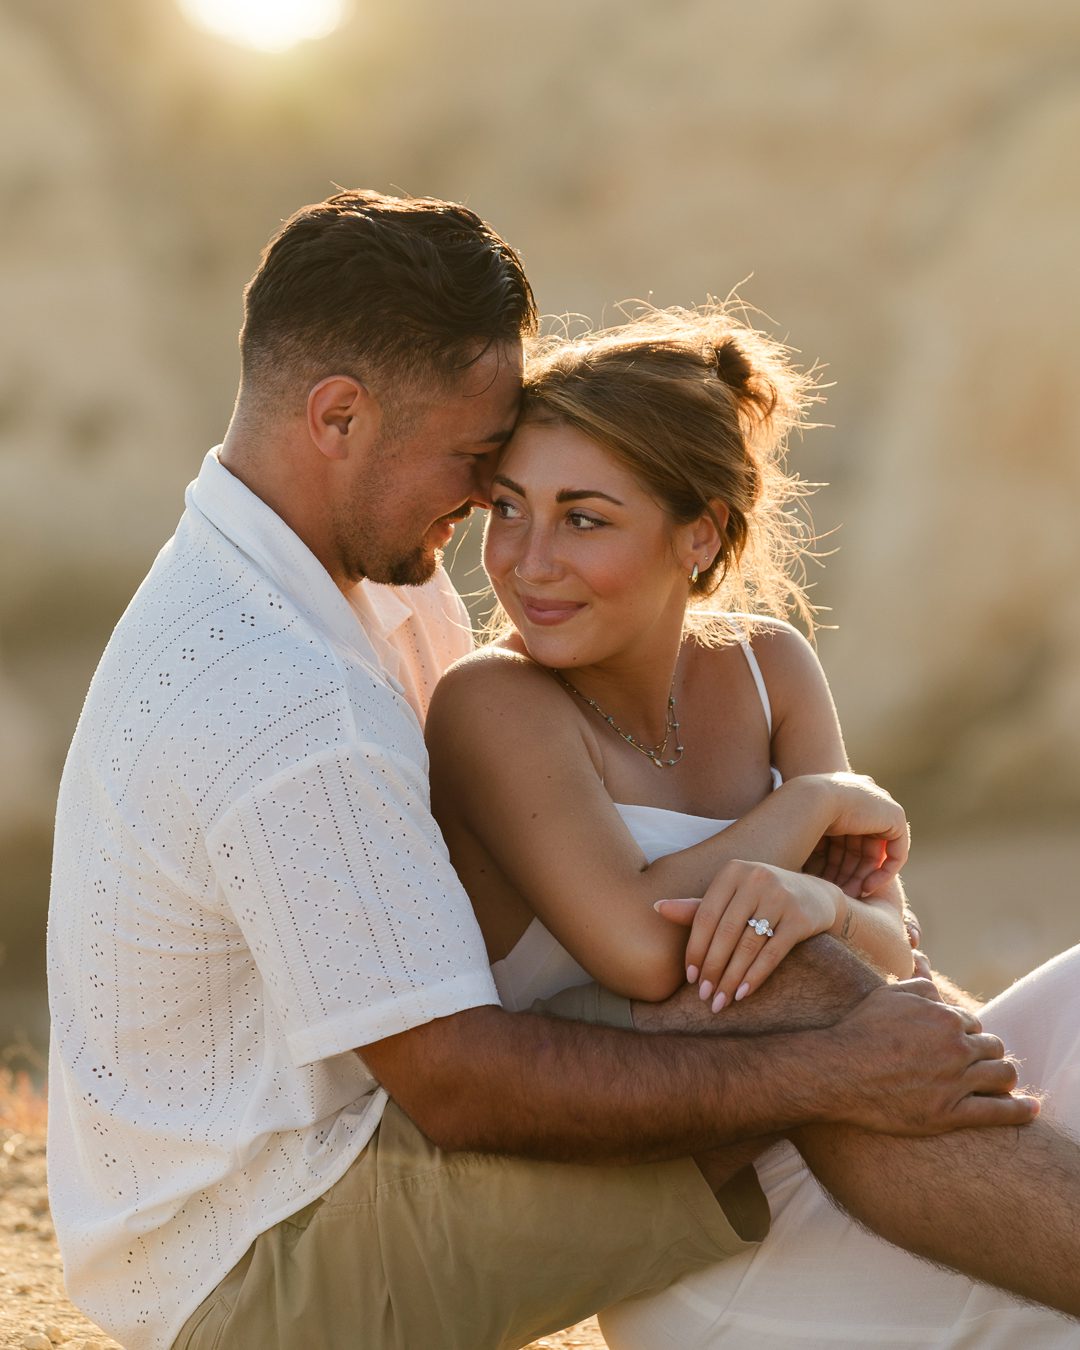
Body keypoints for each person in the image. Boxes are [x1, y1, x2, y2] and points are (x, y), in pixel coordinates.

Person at [45, 189, 1057, 1350]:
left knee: (797, 983)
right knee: (783, 992)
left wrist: (833, 957)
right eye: (477, 462)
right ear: (338, 417)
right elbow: (461, 1083)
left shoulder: (357, 587)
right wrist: (832, 1070)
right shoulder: (279, 689)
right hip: (261, 1265)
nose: (489, 508)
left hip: (336, 1163)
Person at [424, 302, 1080, 1343]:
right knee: (800, 979)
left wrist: (817, 903)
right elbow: (643, 948)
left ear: (701, 534)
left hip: (901, 1131)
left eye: (584, 519)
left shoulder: (769, 664)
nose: (528, 560)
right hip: (727, 1233)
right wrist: (806, 807)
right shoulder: (492, 703)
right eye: (509, 509)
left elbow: (892, 951)